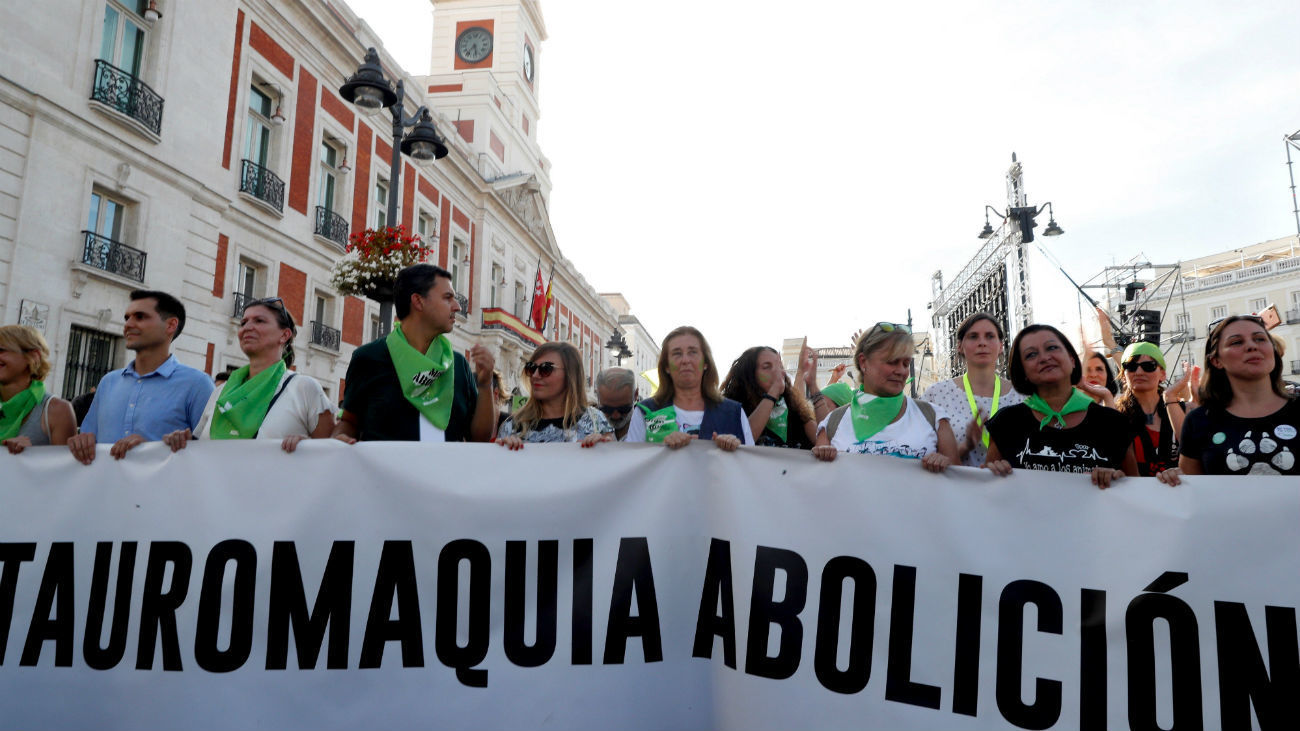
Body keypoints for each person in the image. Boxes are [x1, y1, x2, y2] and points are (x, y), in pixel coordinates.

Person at [333, 264, 495, 442]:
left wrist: (486, 384)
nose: (457, 306)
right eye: (447, 298)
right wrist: (339, 439)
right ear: (418, 301)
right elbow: (349, 422)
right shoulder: (368, 358)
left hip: (445, 470)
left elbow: (479, 439)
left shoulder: (458, 364)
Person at [162, 297, 334, 453]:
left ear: (284, 335)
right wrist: (181, 441)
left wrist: (308, 448)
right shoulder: (221, 392)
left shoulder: (304, 388)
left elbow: (333, 453)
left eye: (259, 321)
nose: (247, 327)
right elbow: (201, 447)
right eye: (243, 322)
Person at [984, 324, 1141, 487]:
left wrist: (1118, 480)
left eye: (1052, 348)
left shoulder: (1113, 423)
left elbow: (1136, 493)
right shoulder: (1007, 423)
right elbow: (986, 494)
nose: (1044, 358)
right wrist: (994, 475)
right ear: (1022, 372)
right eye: (1031, 355)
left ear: (1072, 360)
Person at [68, 290, 214, 464]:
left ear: (170, 325)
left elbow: (210, 455)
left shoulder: (197, 384)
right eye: (127, 317)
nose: (128, 324)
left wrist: (152, 449)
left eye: (140, 317)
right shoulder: (109, 382)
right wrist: (81, 442)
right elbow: (89, 438)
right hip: (107, 488)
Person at [812, 323, 958, 472]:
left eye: (906, 363)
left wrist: (946, 464)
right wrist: (823, 460)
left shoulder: (934, 418)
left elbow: (960, 483)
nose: (901, 371)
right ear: (863, 362)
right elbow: (820, 486)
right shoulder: (832, 424)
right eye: (892, 362)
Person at [1179, 315, 1299, 476]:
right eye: (1236, 342)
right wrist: (1174, 479)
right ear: (1216, 360)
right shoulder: (1198, 421)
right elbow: (1192, 488)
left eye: (1260, 339)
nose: (1251, 346)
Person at [922, 313, 1025, 467]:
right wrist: (966, 446)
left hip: (1008, 488)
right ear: (959, 346)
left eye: (990, 336)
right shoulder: (936, 395)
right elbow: (922, 452)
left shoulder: (1022, 397)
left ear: (1001, 346)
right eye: (973, 336)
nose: (982, 342)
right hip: (954, 488)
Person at [625, 325, 750, 450]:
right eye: (677, 354)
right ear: (666, 366)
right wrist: (661, 447)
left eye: (693, 352)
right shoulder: (646, 412)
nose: (685, 360)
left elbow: (750, 463)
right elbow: (632, 462)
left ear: (706, 363)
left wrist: (735, 450)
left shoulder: (734, 413)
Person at [497, 342, 613, 449]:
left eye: (546, 368)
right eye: (531, 368)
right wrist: (503, 449)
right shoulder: (512, 425)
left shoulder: (596, 422)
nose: (535, 375)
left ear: (570, 375)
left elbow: (613, 467)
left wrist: (602, 448)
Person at [1114, 342, 1191, 479]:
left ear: (1162, 374)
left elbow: (1196, 458)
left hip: (1179, 493)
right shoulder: (1117, 416)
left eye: (1148, 366)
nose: (1138, 372)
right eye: (1130, 367)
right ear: (1124, 375)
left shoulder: (1183, 410)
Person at [721, 345, 817, 449]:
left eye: (780, 366)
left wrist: (811, 384)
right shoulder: (734, 407)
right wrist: (773, 393)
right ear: (750, 374)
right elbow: (745, 439)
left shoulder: (794, 406)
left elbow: (822, 441)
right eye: (767, 367)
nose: (778, 372)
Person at [0, 325, 76, 453]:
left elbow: (64, 470)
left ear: (33, 356)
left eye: (1, 350)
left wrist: (33, 455)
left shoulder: (57, 411)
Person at [595, 367, 637, 441]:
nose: (615, 416)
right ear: (598, 397)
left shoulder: (650, 429)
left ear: (636, 395)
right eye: (607, 409)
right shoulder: (588, 427)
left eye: (623, 409)